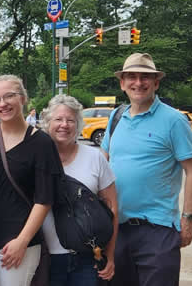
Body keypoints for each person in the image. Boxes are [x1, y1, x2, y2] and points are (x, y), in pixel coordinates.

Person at [101, 53, 192, 286]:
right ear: (122, 83)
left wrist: (188, 219)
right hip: (117, 228)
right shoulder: (115, 118)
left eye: (145, 77)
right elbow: (102, 164)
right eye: (132, 77)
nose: (139, 83)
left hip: (158, 230)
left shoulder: (174, 121)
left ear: (156, 83)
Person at [0, 74, 63, 286]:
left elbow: (44, 199)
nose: (2, 104)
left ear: (22, 98)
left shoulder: (41, 143)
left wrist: (22, 241)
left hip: (17, 244)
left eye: (9, 96)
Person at [39, 94, 118, 285]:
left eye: (70, 120)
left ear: (78, 125)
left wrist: (109, 255)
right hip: (46, 258)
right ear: (48, 123)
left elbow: (112, 209)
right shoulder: (37, 159)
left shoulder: (95, 158)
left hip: (87, 258)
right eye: (58, 119)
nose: (64, 125)